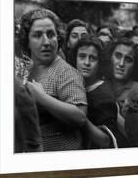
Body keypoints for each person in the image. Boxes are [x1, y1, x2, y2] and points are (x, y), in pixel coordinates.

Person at [17, 8, 88, 151]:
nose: (46, 42)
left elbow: (80, 117)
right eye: (37, 35)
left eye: (51, 34)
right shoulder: (26, 69)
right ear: (27, 41)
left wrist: (41, 97)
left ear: (59, 38)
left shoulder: (65, 72)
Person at [105, 38, 138, 147]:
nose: (121, 64)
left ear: (134, 65)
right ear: (110, 57)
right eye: (118, 56)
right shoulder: (102, 83)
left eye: (128, 60)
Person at [72, 36, 120, 148]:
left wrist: (80, 119)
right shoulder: (75, 83)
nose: (87, 63)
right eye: (82, 56)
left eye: (93, 58)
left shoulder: (104, 96)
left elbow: (106, 141)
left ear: (100, 63)